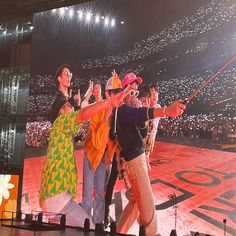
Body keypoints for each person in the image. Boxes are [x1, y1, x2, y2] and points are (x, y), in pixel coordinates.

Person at [39, 86, 128, 228]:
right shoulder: (60, 121)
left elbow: (79, 119)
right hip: (57, 198)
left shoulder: (64, 131)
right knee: (89, 228)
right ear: (60, 112)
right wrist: (108, 103)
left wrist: (82, 103)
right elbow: (81, 115)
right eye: (67, 106)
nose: (71, 108)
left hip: (55, 198)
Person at [113, 72, 186, 235]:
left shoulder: (130, 111)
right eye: (131, 92)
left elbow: (144, 131)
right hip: (134, 163)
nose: (134, 96)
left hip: (136, 159)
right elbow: (140, 115)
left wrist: (140, 111)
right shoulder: (122, 110)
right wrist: (166, 110)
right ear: (123, 92)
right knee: (148, 211)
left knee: (135, 201)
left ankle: (119, 231)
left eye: (136, 92)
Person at [81, 72, 122, 225]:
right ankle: (84, 224)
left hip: (104, 157)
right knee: (87, 193)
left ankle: (98, 223)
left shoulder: (118, 112)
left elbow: (114, 141)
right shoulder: (97, 109)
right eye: (114, 93)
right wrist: (106, 118)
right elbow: (98, 142)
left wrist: (110, 159)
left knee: (100, 192)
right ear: (107, 94)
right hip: (92, 154)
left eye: (119, 92)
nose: (118, 96)